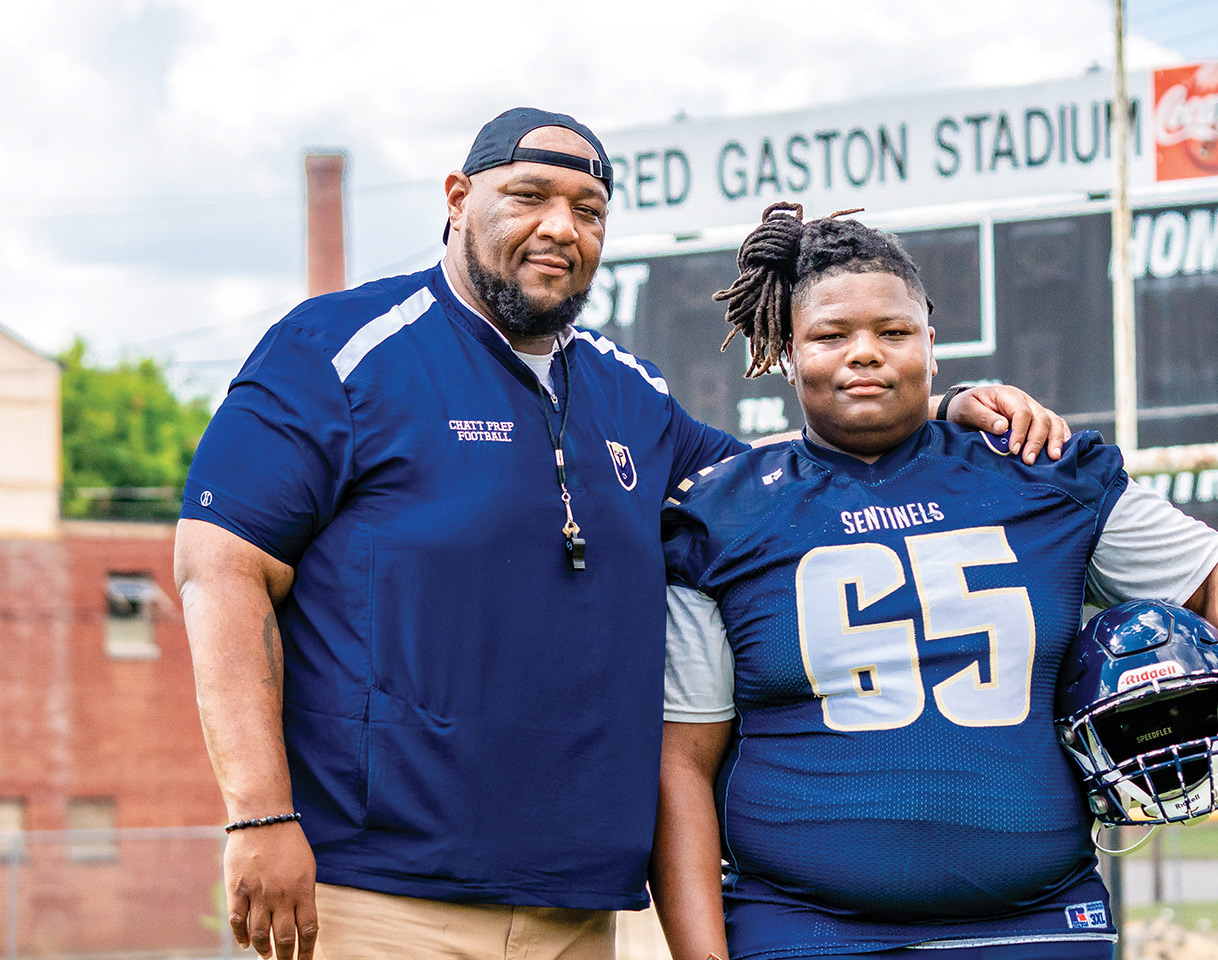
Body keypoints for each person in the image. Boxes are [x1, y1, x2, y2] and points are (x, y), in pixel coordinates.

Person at [173, 109, 1070, 960]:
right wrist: (258, 813)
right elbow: (220, 569)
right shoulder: (339, 348)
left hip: (574, 907)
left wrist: (936, 408)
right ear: (457, 199)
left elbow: (779, 477)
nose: (561, 227)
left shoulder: (624, 389)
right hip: (374, 894)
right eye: (529, 197)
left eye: (588, 209)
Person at [651, 203, 1218, 960]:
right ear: (787, 356)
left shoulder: (1038, 471)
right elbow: (682, 763)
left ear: (932, 347)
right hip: (803, 929)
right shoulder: (726, 514)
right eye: (831, 336)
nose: (864, 353)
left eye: (892, 332)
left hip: (1038, 921)